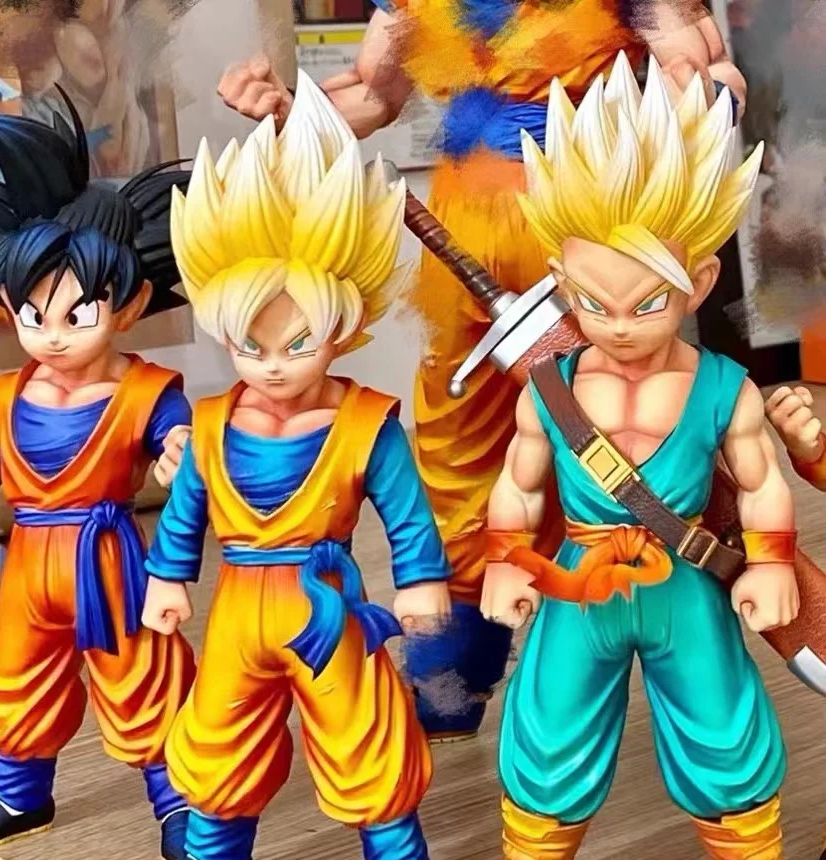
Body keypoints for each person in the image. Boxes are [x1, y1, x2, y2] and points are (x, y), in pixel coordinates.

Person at [216, 0, 749, 740]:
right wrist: (287, 110)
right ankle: (457, 665)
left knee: (614, 443)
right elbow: (371, 94)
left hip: (587, 238)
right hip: (461, 240)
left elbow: (708, 83)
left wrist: (672, 139)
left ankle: (659, 648)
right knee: (454, 451)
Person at [479, 55, 800, 860]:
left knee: (722, 721)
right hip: (578, 581)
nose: (619, 326)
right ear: (561, 285)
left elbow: (761, 481)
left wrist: (769, 561)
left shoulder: (724, 387)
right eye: (593, 303)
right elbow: (519, 481)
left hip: (685, 583)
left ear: (699, 283)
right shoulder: (550, 389)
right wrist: (507, 558)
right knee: (549, 723)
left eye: (647, 302)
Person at [139, 72, 451, 860]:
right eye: (252, 345)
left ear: (343, 328)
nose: (273, 365)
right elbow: (185, 511)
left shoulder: (367, 420)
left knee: (362, 729)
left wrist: (420, 581)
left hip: (328, 604)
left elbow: (407, 513)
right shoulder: (212, 422)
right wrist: (167, 578)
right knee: (219, 726)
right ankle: (215, 855)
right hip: (238, 604)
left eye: (297, 343)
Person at [0, 95, 196, 860]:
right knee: (15, 677)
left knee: (143, 677)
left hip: (110, 561)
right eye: (33, 313)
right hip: (29, 568)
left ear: (130, 304)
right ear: (7, 306)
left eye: (77, 314)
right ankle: (17, 795)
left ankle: (179, 801)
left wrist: (181, 457)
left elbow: (184, 453)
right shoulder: (8, 393)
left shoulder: (148, 389)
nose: (52, 333)